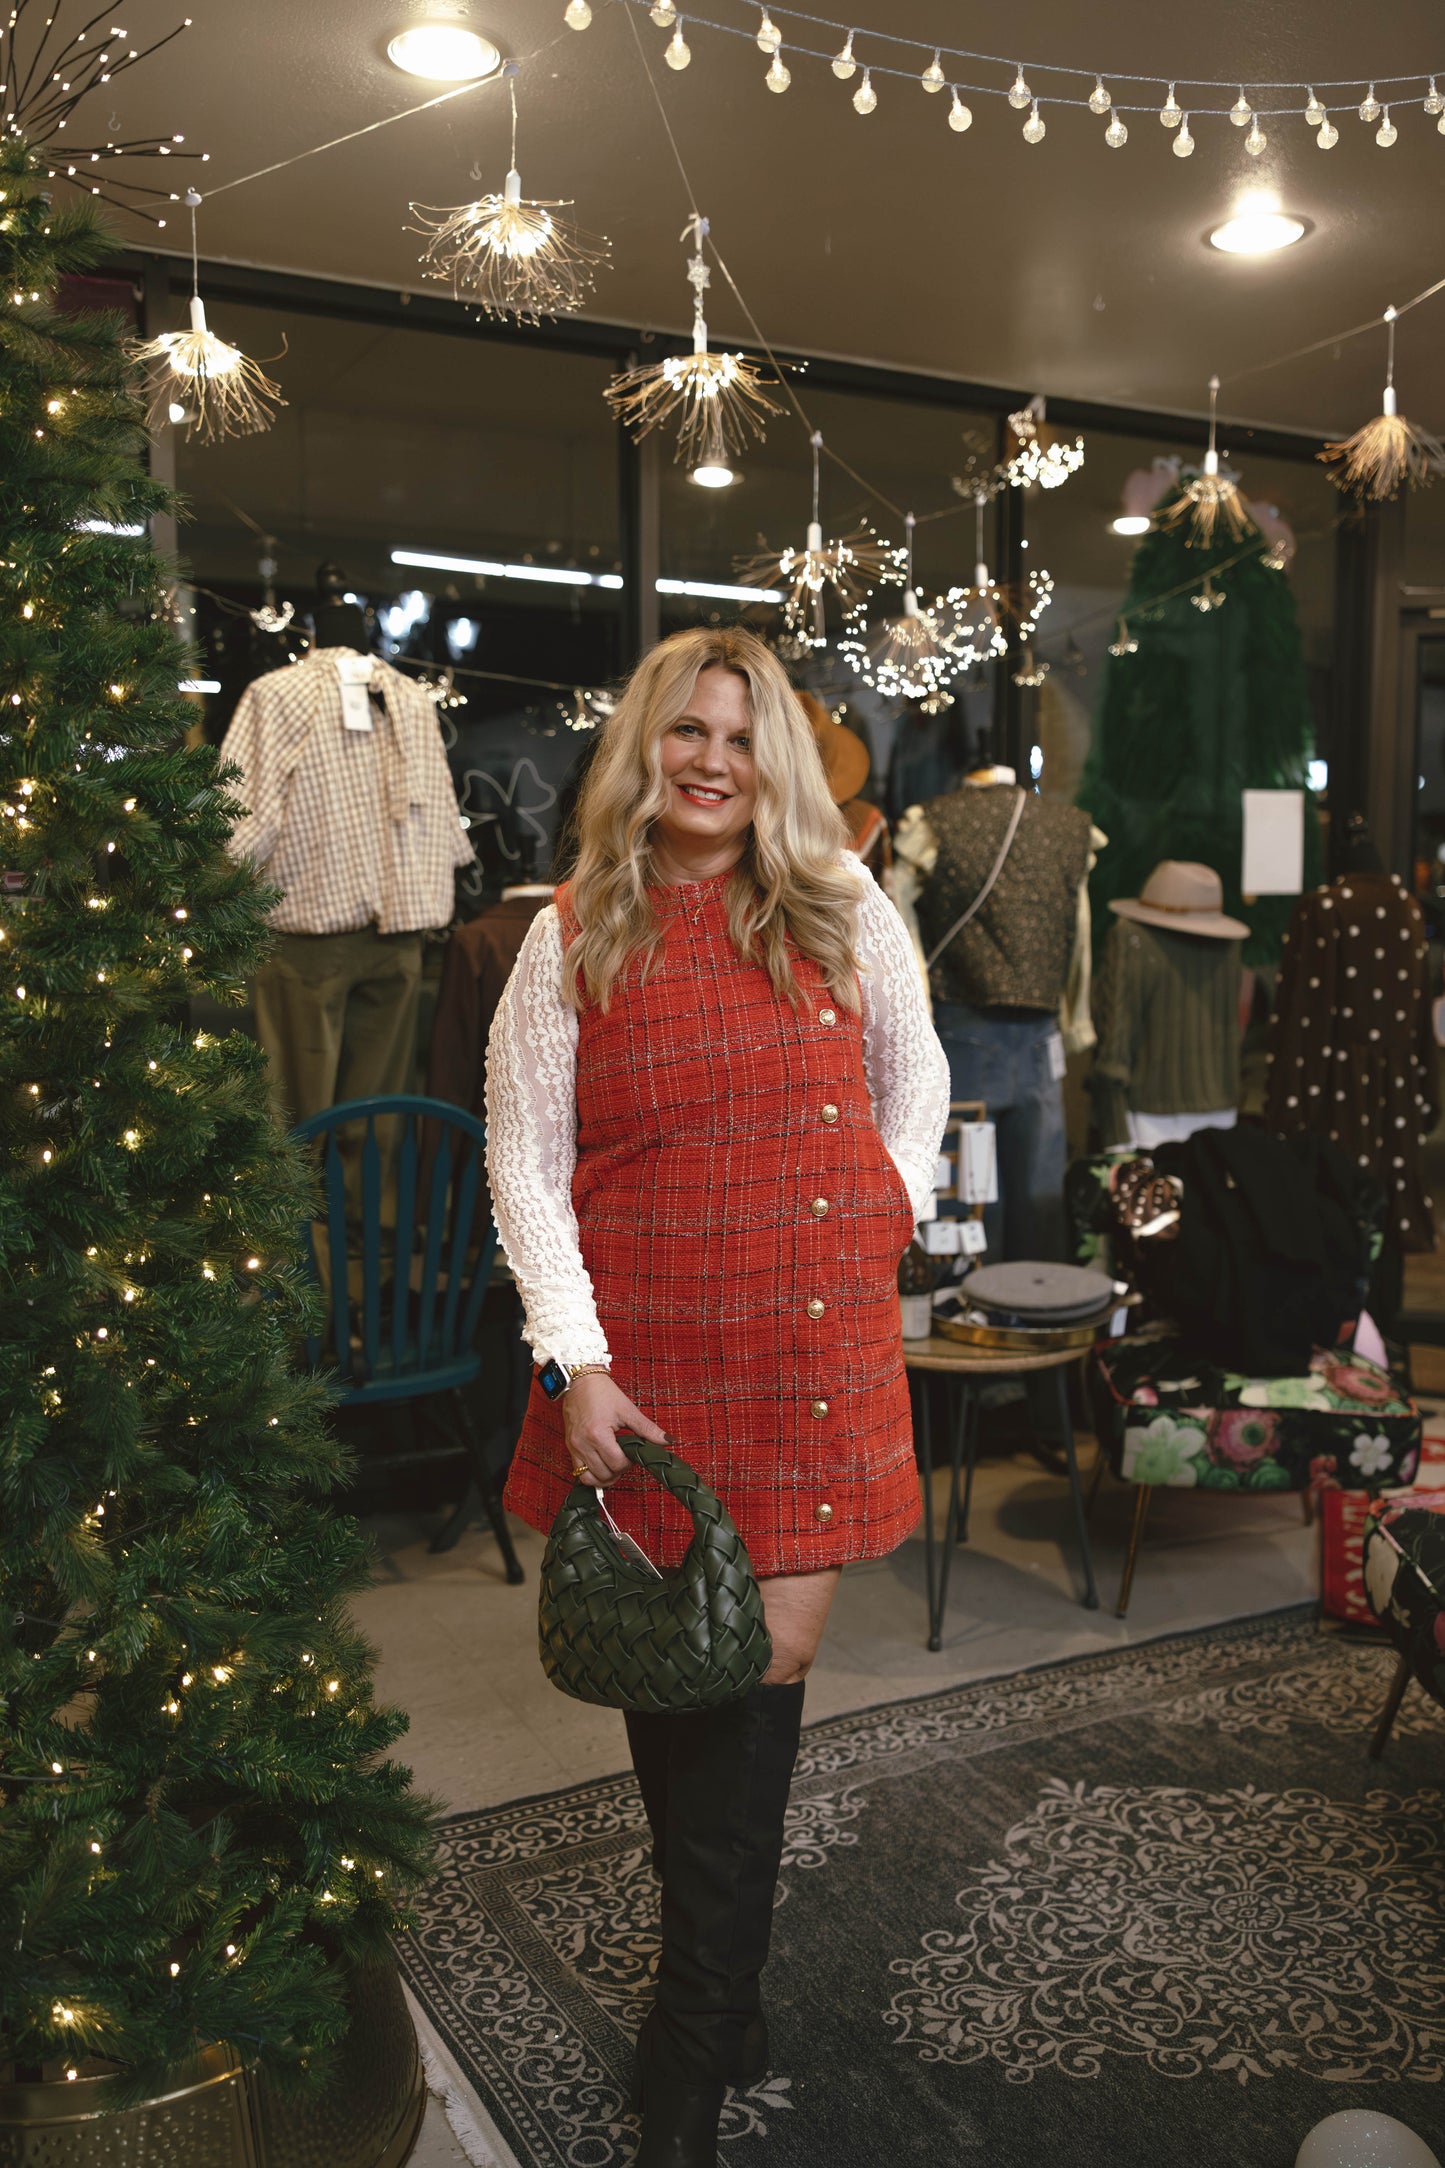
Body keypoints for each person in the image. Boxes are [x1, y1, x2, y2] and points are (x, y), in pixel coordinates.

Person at [485, 626, 950, 2166]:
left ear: (777, 766)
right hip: (652, 1354)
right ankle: (721, 1991)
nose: (709, 761)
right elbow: (526, 1167)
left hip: (811, 1341)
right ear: (642, 748)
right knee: (674, 1665)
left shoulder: (841, 909)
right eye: (684, 732)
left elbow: (917, 1079)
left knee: (752, 1673)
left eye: (741, 739)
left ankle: (691, 2040)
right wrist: (575, 1359)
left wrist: (871, 1206)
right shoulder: (568, 934)